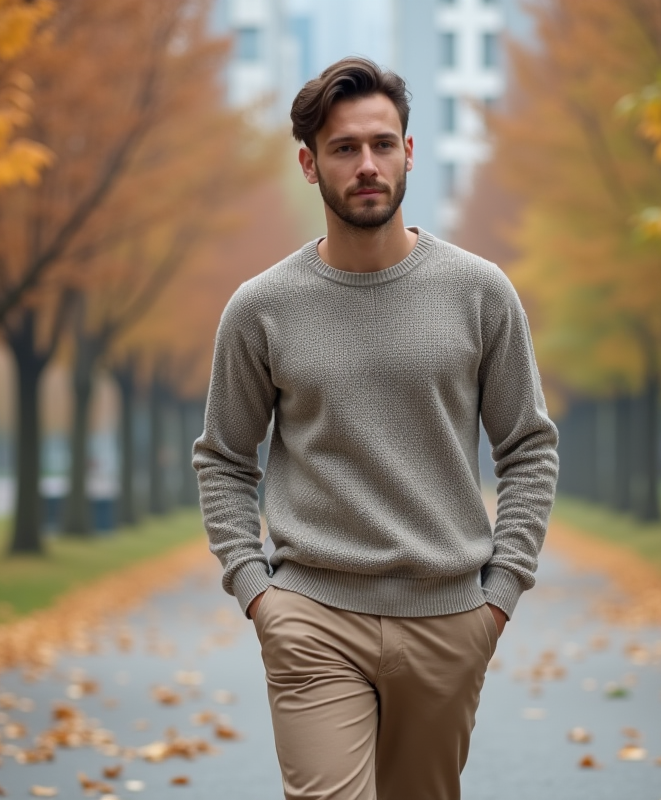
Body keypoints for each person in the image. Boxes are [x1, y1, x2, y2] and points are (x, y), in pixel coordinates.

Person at [192, 56, 559, 800]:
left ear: (410, 152)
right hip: (312, 618)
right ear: (309, 163)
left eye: (382, 144)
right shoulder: (261, 307)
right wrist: (258, 593)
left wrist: (499, 598)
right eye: (344, 148)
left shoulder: (480, 292)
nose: (367, 165)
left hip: (451, 620)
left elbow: (527, 446)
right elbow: (224, 458)